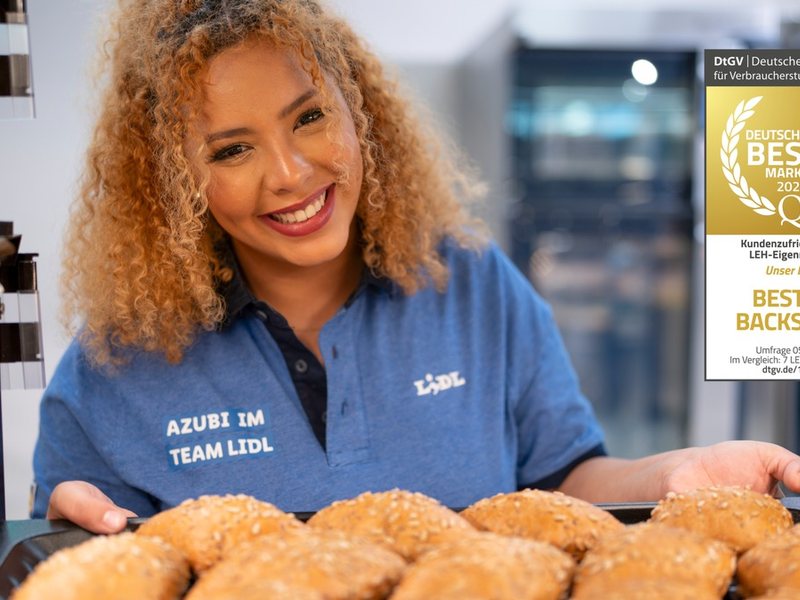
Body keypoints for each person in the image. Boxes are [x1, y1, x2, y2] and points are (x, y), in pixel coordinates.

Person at [33, 0, 800, 535]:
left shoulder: (474, 286)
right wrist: (66, 537)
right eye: (232, 149)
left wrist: (672, 477)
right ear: (175, 182)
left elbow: (565, 485)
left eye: (309, 116)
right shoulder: (117, 361)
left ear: (357, 107)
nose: (292, 173)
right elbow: (81, 539)